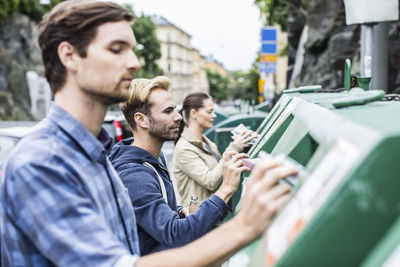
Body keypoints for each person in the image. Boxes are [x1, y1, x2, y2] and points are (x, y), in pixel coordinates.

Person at [0, 1, 296, 266]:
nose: (134, 62)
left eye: (131, 49)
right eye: (116, 49)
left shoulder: (96, 153)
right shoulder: (43, 162)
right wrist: (243, 225)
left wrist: (182, 213)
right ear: (69, 56)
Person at [109, 76, 250, 255]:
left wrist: (179, 210)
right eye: (168, 111)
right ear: (141, 120)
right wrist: (227, 188)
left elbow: (155, 211)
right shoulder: (134, 175)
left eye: (175, 110)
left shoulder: (153, 157)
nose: (177, 117)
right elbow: (176, 235)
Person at [173, 91, 258, 206]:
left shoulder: (207, 142)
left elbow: (221, 171)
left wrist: (243, 148)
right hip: (198, 217)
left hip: (214, 212)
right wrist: (234, 147)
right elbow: (210, 181)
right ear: (194, 113)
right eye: (209, 112)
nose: (214, 115)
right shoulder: (184, 148)